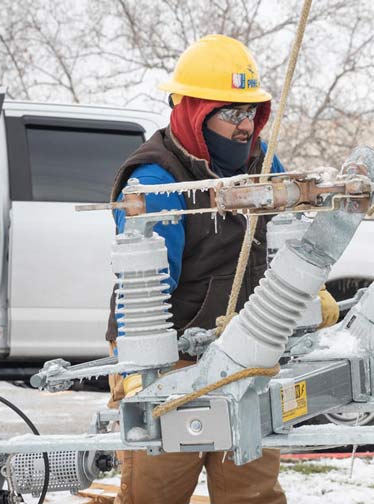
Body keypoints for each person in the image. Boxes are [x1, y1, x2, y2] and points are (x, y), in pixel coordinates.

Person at [105, 34, 287, 504]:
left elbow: (289, 234)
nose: (245, 126)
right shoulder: (155, 180)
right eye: (231, 114)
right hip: (171, 358)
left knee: (252, 492)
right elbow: (144, 291)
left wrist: (306, 290)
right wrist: (141, 373)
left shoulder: (264, 166)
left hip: (247, 353)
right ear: (193, 110)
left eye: (251, 112)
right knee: (158, 490)